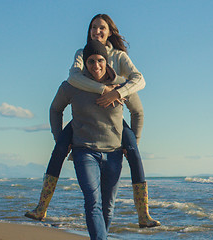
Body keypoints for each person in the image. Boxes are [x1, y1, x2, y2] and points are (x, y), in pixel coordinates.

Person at [25, 14, 160, 228]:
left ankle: (143, 213)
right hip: (85, 117)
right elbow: (74, 77)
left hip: (114, 122)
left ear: (110, 32)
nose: (97, 31)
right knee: (60, 147)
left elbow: (139, 79)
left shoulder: (120, 56)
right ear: (89, 31)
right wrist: (102, 89)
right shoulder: (82, 53)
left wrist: (118, 93)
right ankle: (42, 207)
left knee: (134, 150)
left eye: (102, 28)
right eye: (93, 27)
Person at [50, 40, 140, 239]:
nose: (96, 65)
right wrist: (60, 139)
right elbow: (55, 109)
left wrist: (133, 142)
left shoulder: (121, 85)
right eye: (90, 61)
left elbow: (138, 112)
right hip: (85, 151)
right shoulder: (72, 85)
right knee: (93, 202)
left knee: (108, 207)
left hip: (115, 153)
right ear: (85, 63)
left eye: (100, 60)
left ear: (107, 61)